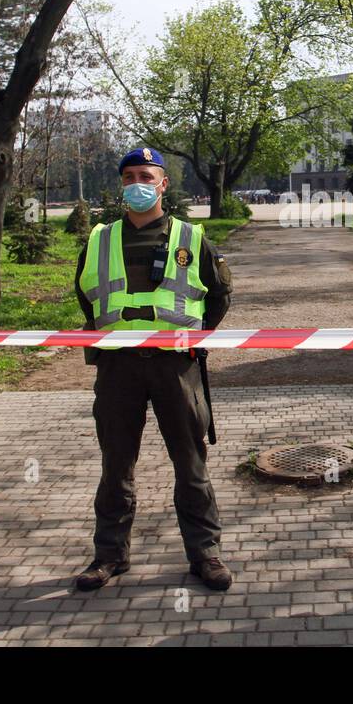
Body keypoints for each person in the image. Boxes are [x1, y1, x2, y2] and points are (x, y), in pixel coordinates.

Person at [73, 147, 235, 592]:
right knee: (115, 466)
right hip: (118, 369)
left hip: (174, 368)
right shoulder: (100, 238)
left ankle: (205, 554)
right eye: (128, 177)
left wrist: (190, 341)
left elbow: (219, 297)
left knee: (190, 464)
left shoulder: (192, 237)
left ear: (164, 183)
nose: (137, 184)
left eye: (146, 175)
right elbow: (86, 295)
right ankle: (109, 556)